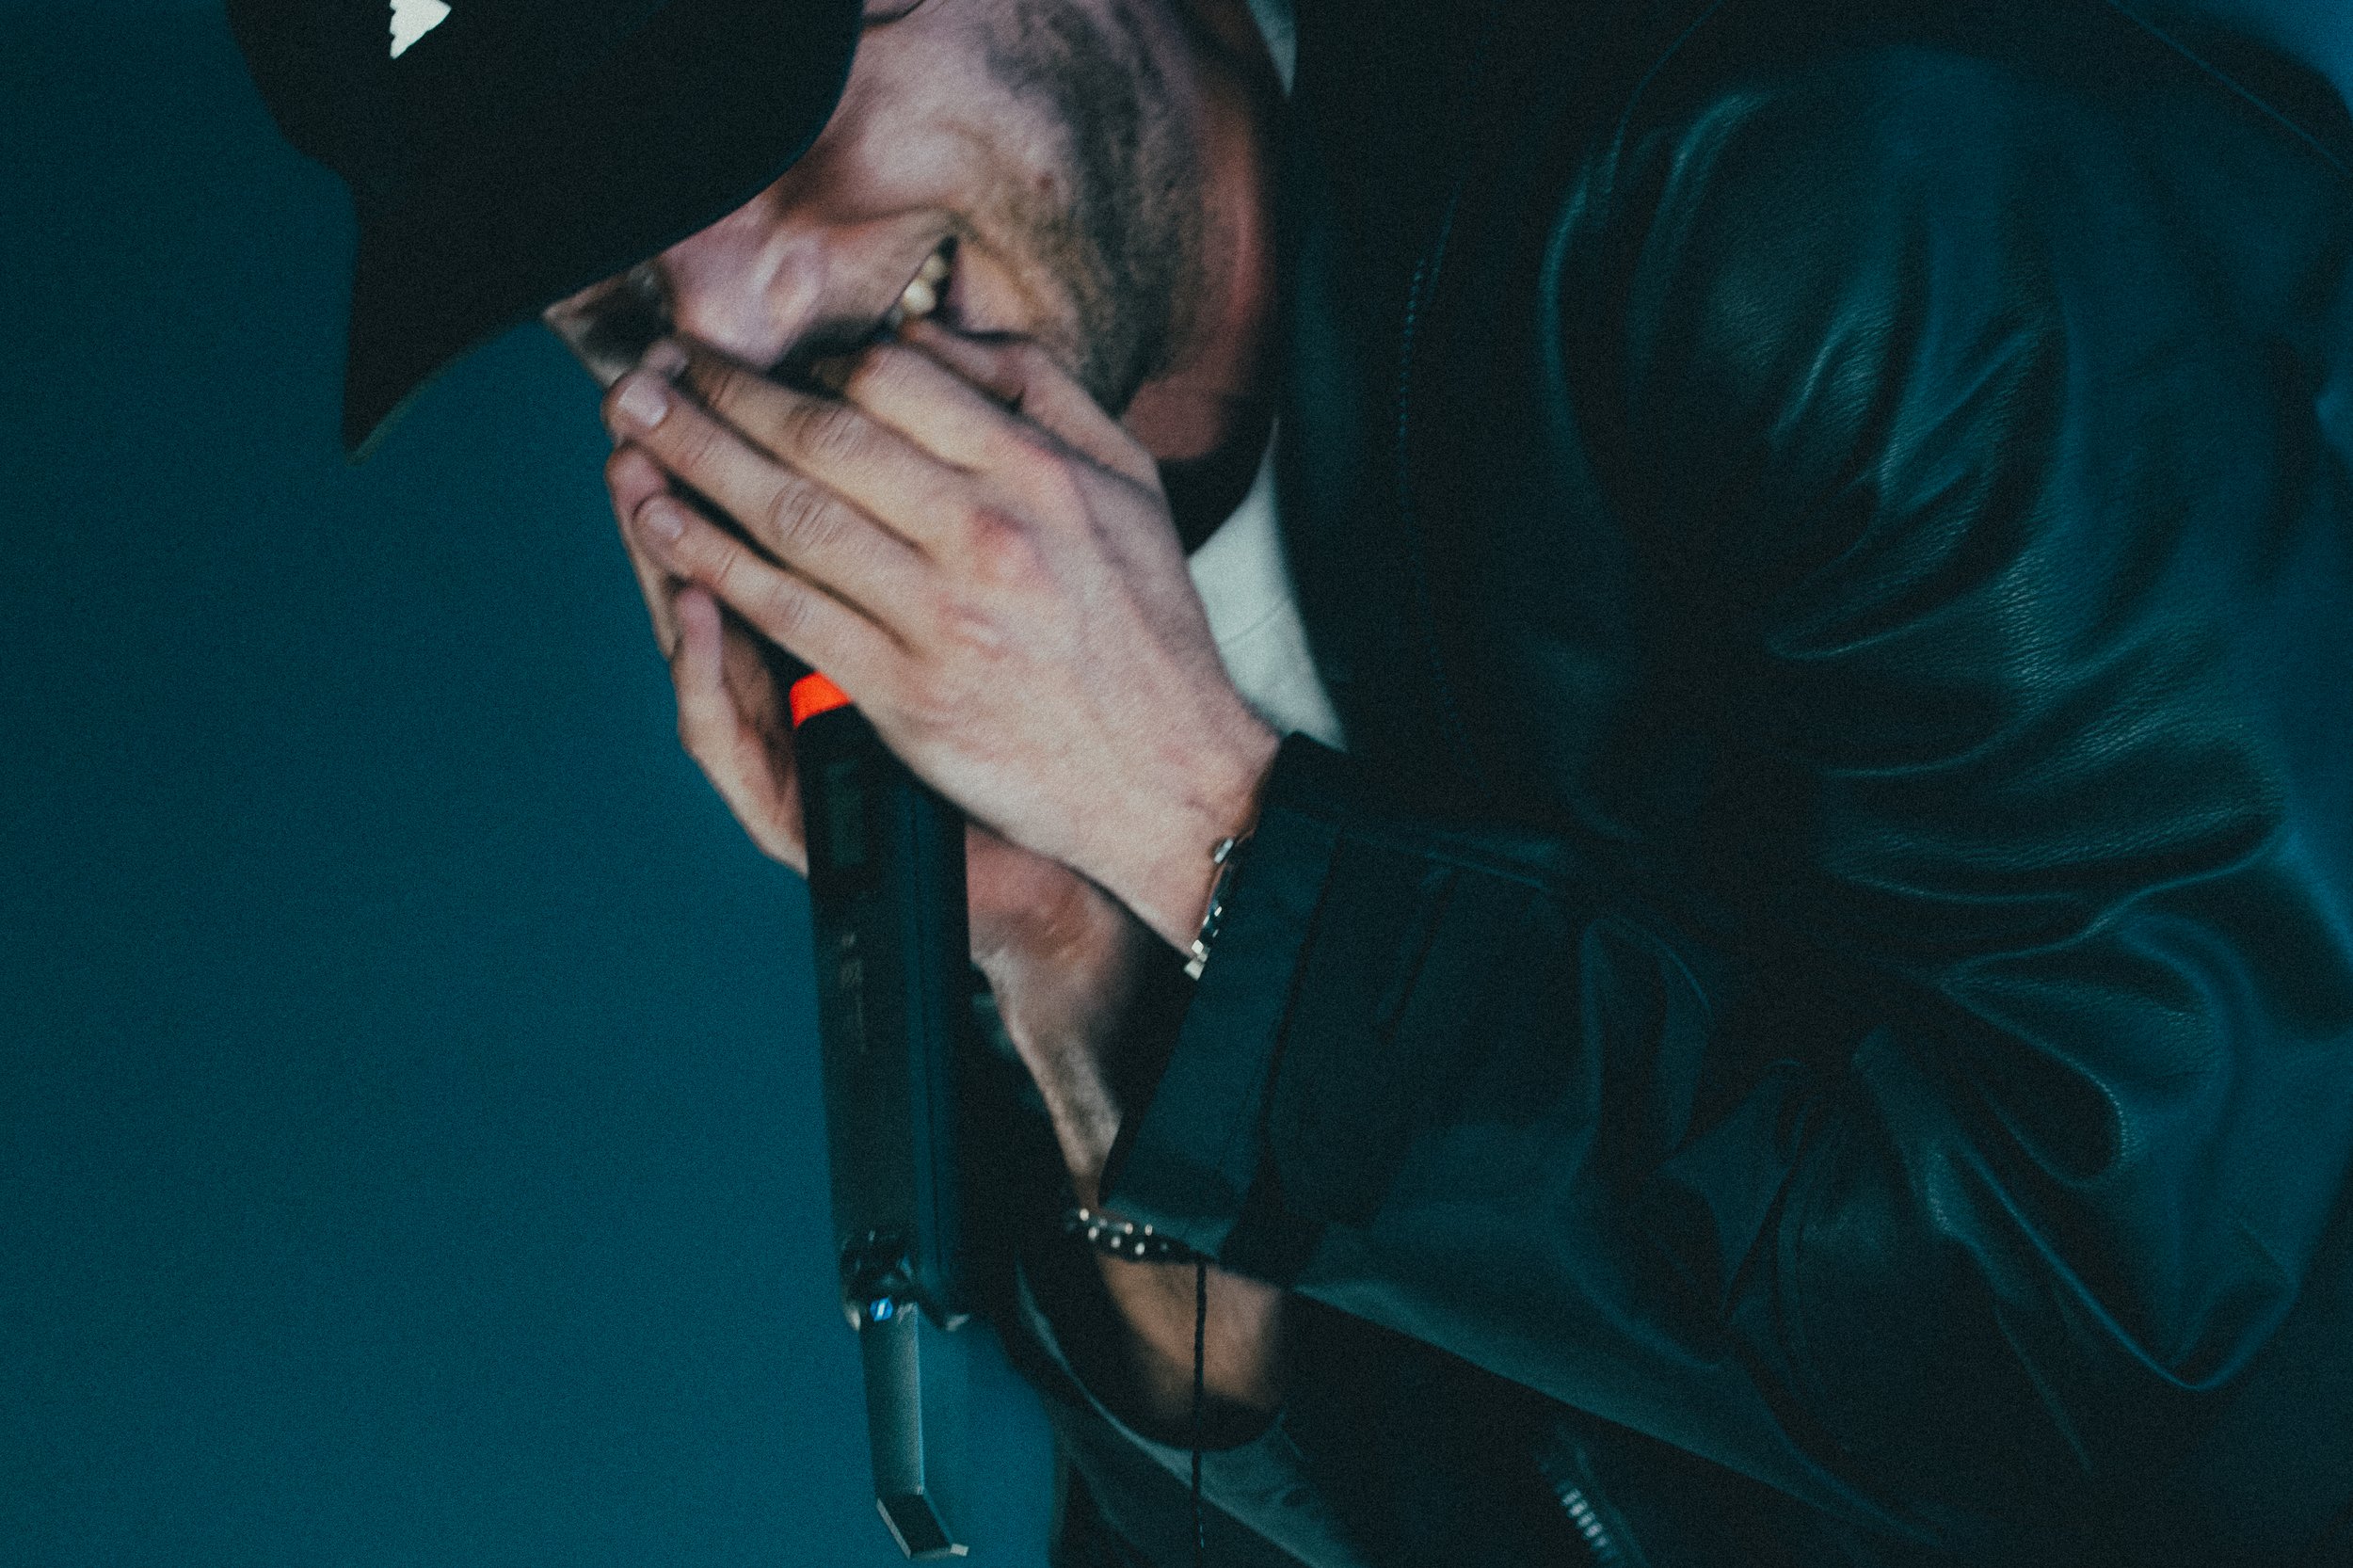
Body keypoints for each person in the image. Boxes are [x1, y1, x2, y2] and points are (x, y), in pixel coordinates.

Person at [225, 0, 2353, 1561]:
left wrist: (1196, 821)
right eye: (610, 309)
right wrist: (1067, 971)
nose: (754, 326)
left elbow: (2093, 1317)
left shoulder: (1824, 168)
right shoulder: (1025, 659)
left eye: (770, 138)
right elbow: (1407, 1513)